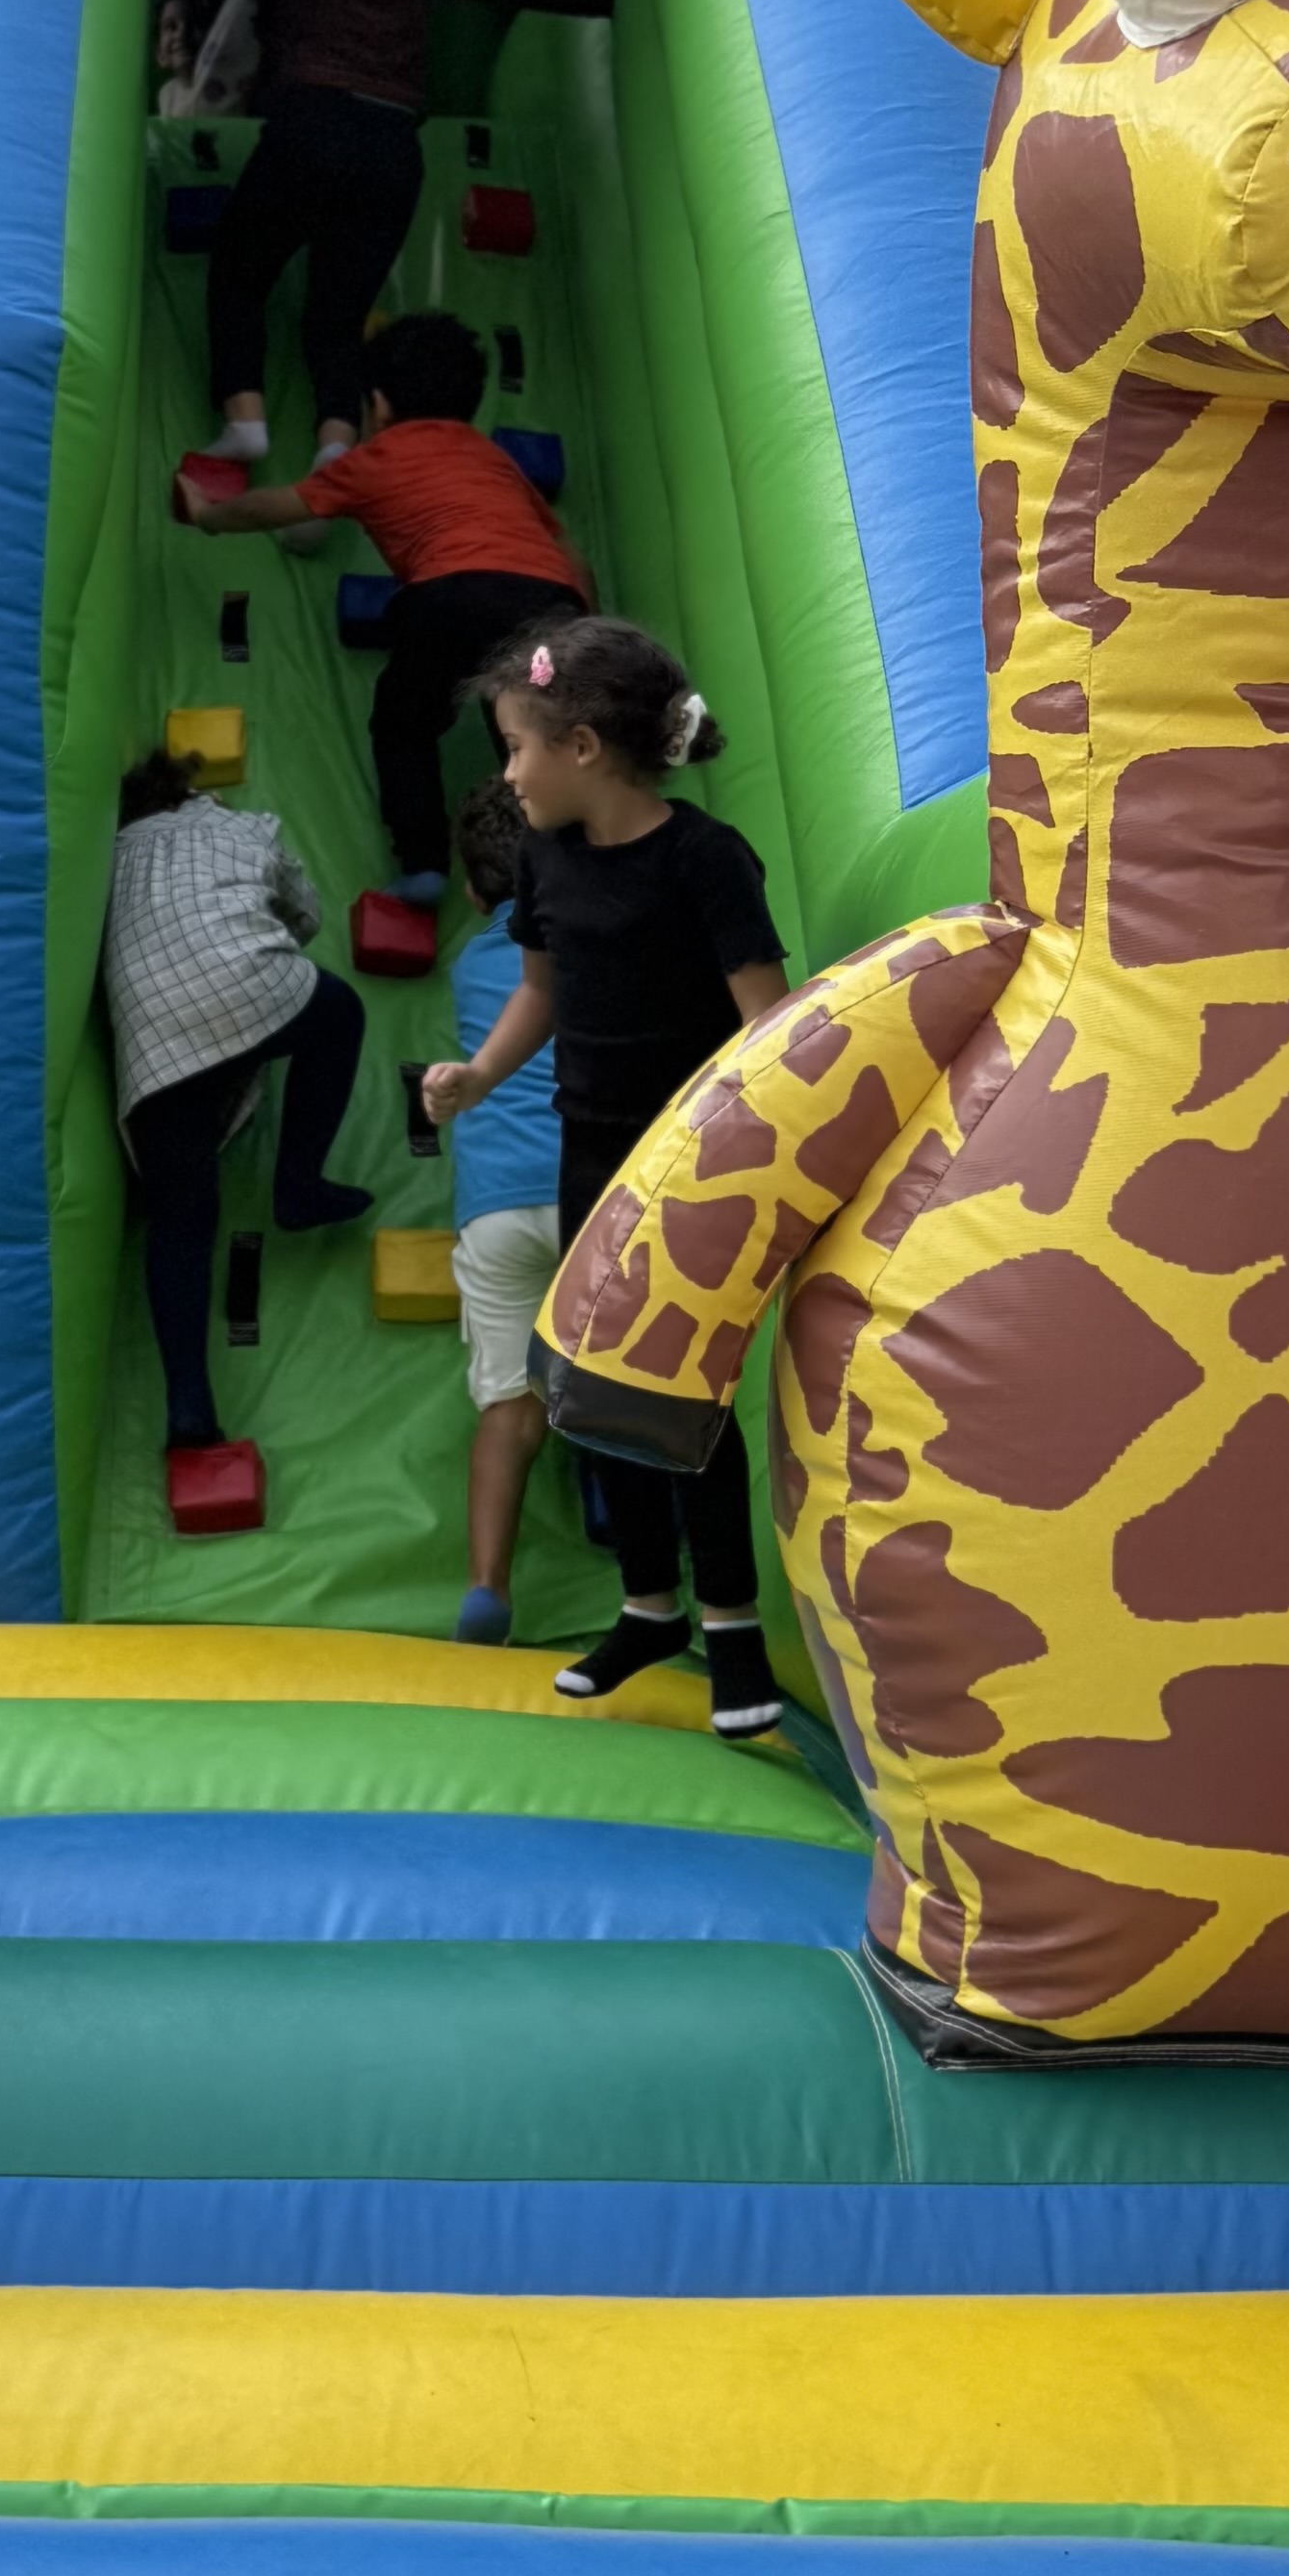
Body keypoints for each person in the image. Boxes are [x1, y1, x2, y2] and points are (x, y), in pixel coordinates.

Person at [420, 616, 792, 1738]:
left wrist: (746, 1152)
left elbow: (771, 1027)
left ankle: (733, 1630)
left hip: (688, 1162)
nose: (507, 775)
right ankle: (648, 1608)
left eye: (516, 748)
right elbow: (542, 990)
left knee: (684, 1397)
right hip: (589, 1152)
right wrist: (480, 1076)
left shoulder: (705, 861)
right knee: (594, 1384)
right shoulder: (547, 860)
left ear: (582, 748)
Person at [154, 0, 614, 466]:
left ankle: (246, 419)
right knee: (338, 317)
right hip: (390, 147)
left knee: (241, 272)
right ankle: (336, 447)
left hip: (311, 125)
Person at [183, 313, 592, 893]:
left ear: (377, 405)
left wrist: (209, 515)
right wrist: (589, 632)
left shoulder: (378, 456)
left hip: (450, 598)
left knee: (404, 726)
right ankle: (559, 850)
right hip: (548, 604)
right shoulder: (493, 458)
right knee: (527, 727)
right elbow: (567, 554)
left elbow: (278, 506)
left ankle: (423, 863)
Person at [104, 751, 370, 1476]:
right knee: (338, 1015)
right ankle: (299, 1183)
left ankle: (189, 1407)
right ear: (193, 794)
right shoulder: (238, 826)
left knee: (181, 1222)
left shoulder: (110, 855)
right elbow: (305, 914)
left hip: (154, 1040)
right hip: (245, 988)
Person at [436, 777, 561, 1649]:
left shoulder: (468, 966)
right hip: (595, 1183)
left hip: (496, 1206)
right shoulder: (591, 934)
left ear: (475, 895)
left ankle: (486, 1586)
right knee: (625, 1372)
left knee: (508, 1408)